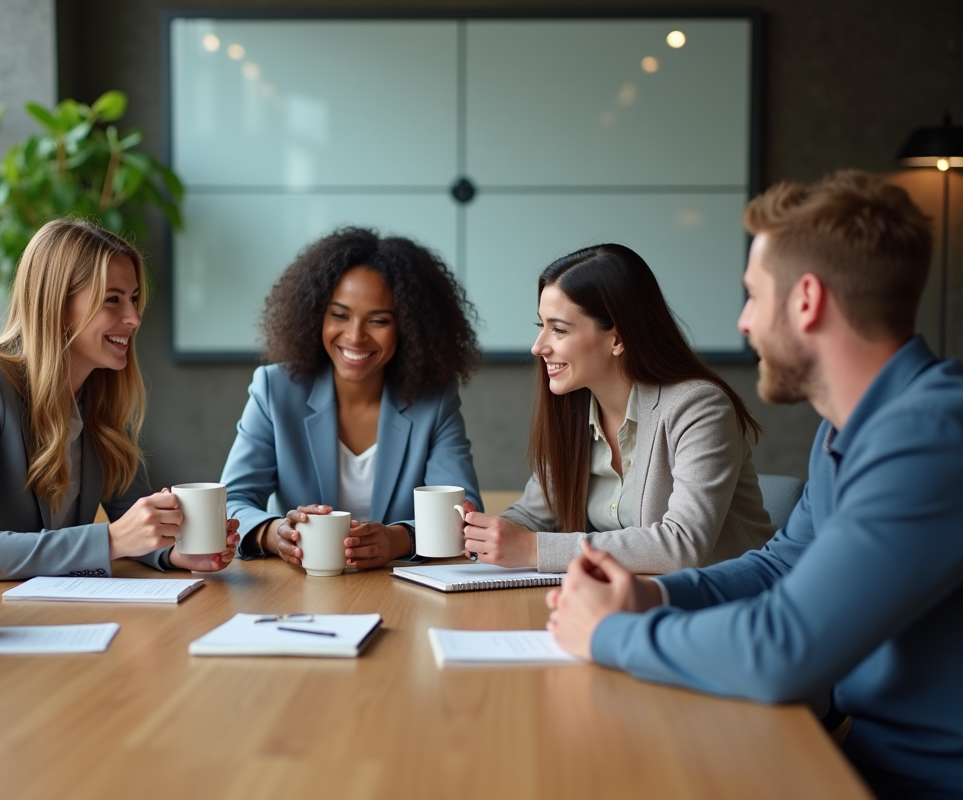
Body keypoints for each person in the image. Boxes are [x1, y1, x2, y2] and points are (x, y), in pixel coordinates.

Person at [546, 171, 963, 799]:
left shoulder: (931, 436)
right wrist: (651, 598)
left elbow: (784, 650)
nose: (742, 322)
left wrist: (610, 634)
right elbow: (780, 567)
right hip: (866, 756)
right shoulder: (847, 428)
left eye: (752, 296)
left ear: (806, 301)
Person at [0, 219, 238, 580]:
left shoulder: (98, 395)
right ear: (56, 305)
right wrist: (112, 541)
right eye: (112, 300)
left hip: (46, 606)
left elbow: (128, 512)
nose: (133, 318)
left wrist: (175, 551)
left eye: (133, 299)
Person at [463, 244, 774, 574]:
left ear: (617, 338)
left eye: (558, 329)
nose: (538, 347)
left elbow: (682, 545)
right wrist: (480, 534)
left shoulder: (699, 408)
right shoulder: (574, 411)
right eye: (541, 325)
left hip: (726, 606)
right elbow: (532, 516)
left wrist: (531, 548)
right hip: (635, 603)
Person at [223, 227, 483, 570]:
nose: (355, 336)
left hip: (401, 587)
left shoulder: (433, 400)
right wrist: (276, 534)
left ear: (409, 327)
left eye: (378, 320)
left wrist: (397, 539)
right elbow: (230, 503)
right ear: (316, 314)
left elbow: (463, 510)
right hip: (299, 586)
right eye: (339, 315)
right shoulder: (275, 389)